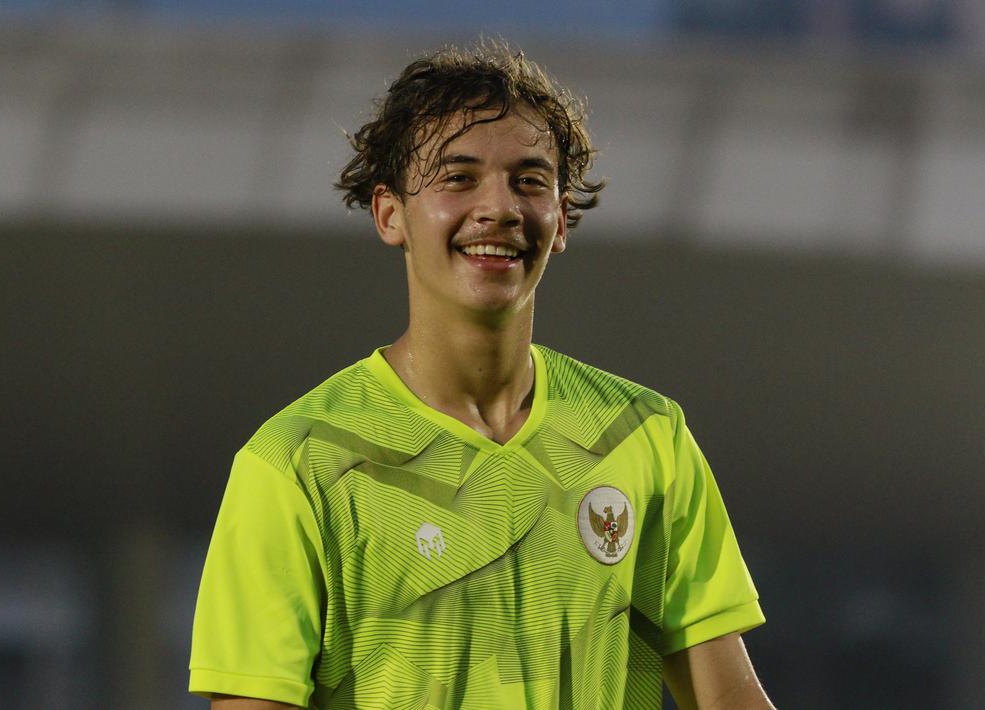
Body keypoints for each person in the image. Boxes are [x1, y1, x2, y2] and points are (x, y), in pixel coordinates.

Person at [189, 41, 773, 710]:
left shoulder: (646, 439)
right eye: (457, 177)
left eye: (528, 180)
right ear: (389, 214)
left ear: (559, 221)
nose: (498, 207)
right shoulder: (294, 466)